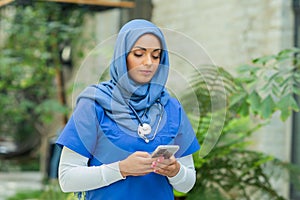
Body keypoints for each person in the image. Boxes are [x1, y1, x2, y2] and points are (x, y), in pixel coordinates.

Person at [56, 19, 200, 200]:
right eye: (139, 54)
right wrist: (121, 169)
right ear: (122, 56)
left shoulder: (171, 107)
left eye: (156, 56)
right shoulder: (94, 104)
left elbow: (187, 183)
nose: (149, 62)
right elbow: (67, 178)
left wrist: (175, 171)